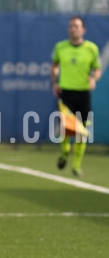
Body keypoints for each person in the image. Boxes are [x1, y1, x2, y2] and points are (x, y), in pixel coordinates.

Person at [51, 15, 101, 177]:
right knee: (66, 128)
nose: (74, 28)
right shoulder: (60, 47)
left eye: (77, 26)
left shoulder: (91, 49)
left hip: (83, 94)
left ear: (83, 30)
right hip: (66, 93)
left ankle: (76, 165)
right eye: (71, 26)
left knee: (82, 131)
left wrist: (93, 78)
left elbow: (97, 69)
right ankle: (65, 151)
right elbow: (54, 66)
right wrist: (54, 82)